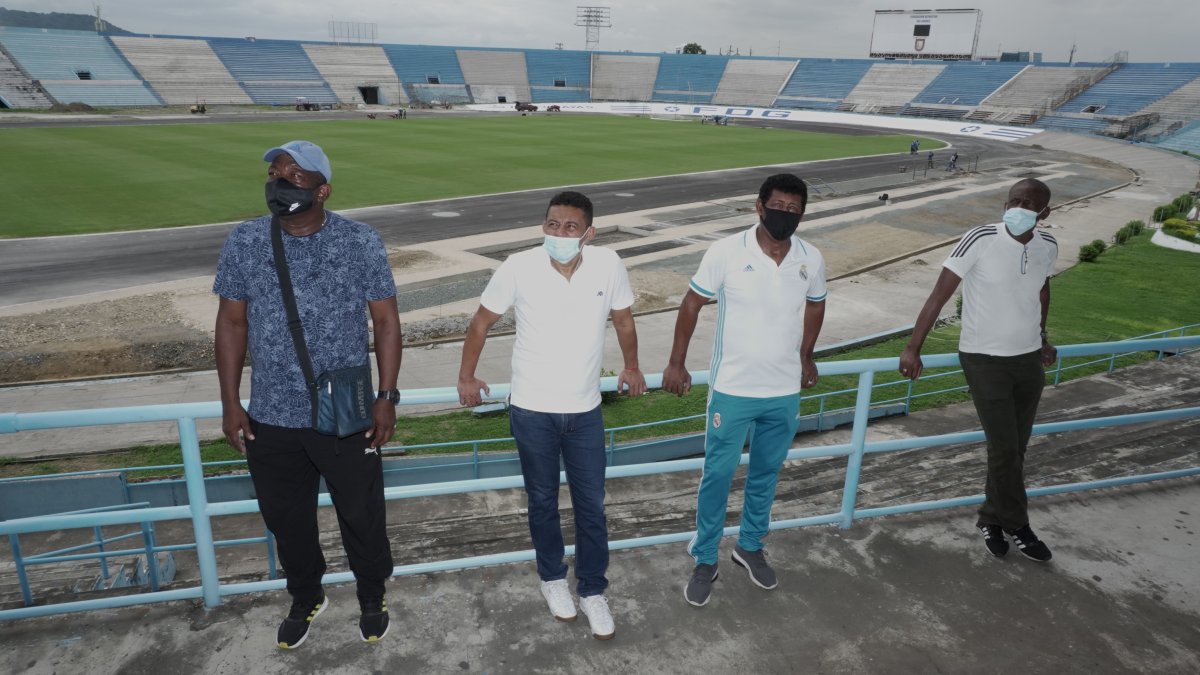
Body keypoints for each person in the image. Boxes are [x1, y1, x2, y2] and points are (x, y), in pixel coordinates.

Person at [214, 140, 402, 648]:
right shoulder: (246, 240)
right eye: (276, 173)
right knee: (286, 518)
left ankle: (370, 593)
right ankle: (305, 594)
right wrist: (232, 402)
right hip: (271, 414)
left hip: (344, 411)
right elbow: (232, 323)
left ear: (323, 190)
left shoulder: (360, 240)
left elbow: (385, 321)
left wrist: (386, 396)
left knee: (361, 514)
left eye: (294, 176)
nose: (279, 183)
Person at [457, 191, 646, 640]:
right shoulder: (518, 266)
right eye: (552, 225)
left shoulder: (608, 263)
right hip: (532, 409)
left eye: (570, 227)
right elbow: (480, 323)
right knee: (541, 502)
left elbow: (623, 320)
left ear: (589, 233)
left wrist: (632, 366)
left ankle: (594, 589)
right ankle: (552, 580)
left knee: (591, 506)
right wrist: (467, 376)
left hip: (585, 411)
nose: (559, 234)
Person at [663, 173, 827, 607]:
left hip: (783, 391)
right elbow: (691, 303)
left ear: (802, 214)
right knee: (717, 475)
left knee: (766, 474)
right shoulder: (726, 251)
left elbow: (816, 304)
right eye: (777, 206)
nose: (784, 215)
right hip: (733, 389)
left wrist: (807, 355)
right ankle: (704, 557)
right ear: (759, 206)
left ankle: (749, 546)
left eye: (794, 210)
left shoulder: (811, 257)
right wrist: (677, 362)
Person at [899, 178, 1058, 563]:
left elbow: (1042, 291)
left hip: (1027, 360)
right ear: (1005, 204)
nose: (1019, 207)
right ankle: (1019, 525)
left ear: (1045, 213)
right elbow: (940, 293)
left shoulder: (1048, 246)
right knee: (1004, 447)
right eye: (1014, 200)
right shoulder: (980, 238)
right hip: (983, 358)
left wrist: (1042, 337)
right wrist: (912, 346)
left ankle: (990, 518)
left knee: (1014, 449)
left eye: (1028, 203)